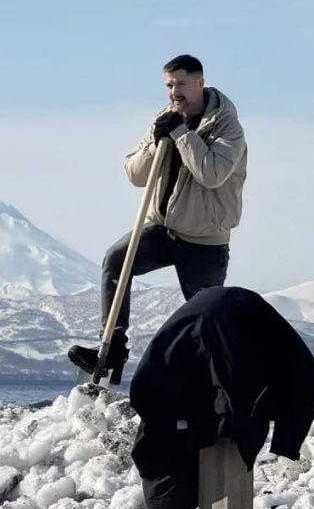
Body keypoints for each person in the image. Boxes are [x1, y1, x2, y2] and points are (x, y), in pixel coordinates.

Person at [69, 54, 248, 384]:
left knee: (207, 317)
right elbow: (135, 174)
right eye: (169, 85)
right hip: (163, 230)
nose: (174, 92)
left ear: (199, 83)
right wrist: (156, 141)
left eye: (180, 84)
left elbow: (212, 173)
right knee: (116, 260)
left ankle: (225, 384)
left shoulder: (228, 128)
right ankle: (111, 350)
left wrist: (181, 134)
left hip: (204, 239)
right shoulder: (165, 118)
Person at [129, 286, 314, 509]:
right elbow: (304, 384)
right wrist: (282, 440)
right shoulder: (283, 354)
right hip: (223, 327)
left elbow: (149, 389)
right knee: (234, 422)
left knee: (218, 423)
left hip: (190, 340)